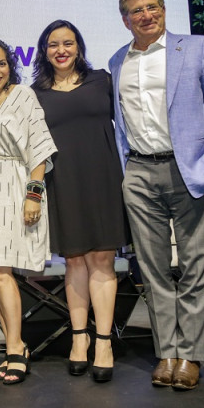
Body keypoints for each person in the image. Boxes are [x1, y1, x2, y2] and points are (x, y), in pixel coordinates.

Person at [109, 0, 204, 390]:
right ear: (125, 19)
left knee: (196, 267)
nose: (147, 15)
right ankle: (167, 352)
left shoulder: (196, 47)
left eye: (153, 7)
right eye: (137, 11)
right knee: (154, 270)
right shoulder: (117, 62)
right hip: (141, 173)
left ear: (163, 9)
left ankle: (191, 356)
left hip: (191, 170)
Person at [32, 20, 129, 383]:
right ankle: (79, 339)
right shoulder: (36, 93)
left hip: (104, 179)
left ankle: (103, 342)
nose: (61, 50)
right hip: (64, 182)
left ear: (79, 46)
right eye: (53, 44)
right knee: (74, 260)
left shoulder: (103, 80)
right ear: (44, 51)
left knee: (102, 259)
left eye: (68, 43)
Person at [0, 36, 57, 385]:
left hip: (13, 186)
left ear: (10, 66)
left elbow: (40, 146)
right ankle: (13, 343)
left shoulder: (21, 96)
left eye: (2, 63)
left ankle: (16, 347)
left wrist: (33, 193)